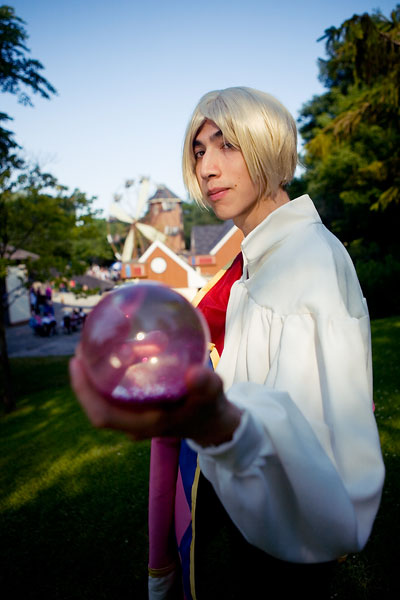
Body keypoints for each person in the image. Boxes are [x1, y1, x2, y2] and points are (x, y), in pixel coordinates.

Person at [69, 87, 385, 599]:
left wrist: (215, 424)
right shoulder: (255, 265)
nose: (207, 168)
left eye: (227, 145)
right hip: (254, 524)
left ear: (269, 147)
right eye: (199, 151)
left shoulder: (307, 263)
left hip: (288, 548)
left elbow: (309, 456)